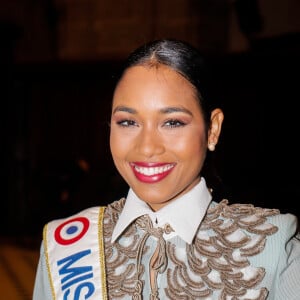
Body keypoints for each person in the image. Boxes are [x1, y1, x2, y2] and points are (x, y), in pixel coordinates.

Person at [32, 39, 300, 300]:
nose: (147, 147)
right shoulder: (65, 246)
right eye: (127, 122)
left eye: (172, 123)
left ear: (212, 129)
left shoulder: (276, 245)